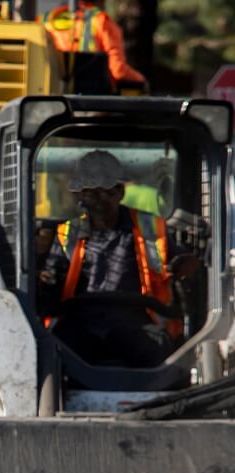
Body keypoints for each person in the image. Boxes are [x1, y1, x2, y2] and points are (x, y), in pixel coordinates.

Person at [38, 149, 189, 367]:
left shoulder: (151, 229)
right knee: (55, 350)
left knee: (159, 352)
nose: (101, 200)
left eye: (107, 192)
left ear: (120, 192)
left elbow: (178, 263)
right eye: (92, 193)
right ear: (80, 195)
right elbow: (51, 285)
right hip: (82, 322)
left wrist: (185, 265)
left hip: (136, 321)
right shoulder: (66, 233)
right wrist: (42, 278)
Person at [41, 0, 147, 91]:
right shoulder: (101, 21)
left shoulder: (44, 21)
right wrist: (142, 80)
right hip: (89, 102)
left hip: (49, 101)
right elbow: (118, 70)